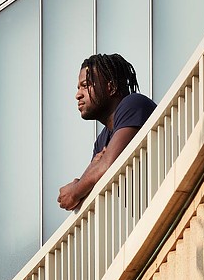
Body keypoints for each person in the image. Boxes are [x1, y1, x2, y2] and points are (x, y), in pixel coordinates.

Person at [57, 54, 156, 211]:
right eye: (78, 88)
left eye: (85, 85)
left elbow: (107, 165)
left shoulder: (134, 104)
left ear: (111, 87)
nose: (78, 94)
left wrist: (75, 190)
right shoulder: (102, 140)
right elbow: (88, 192)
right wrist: (86, 180)